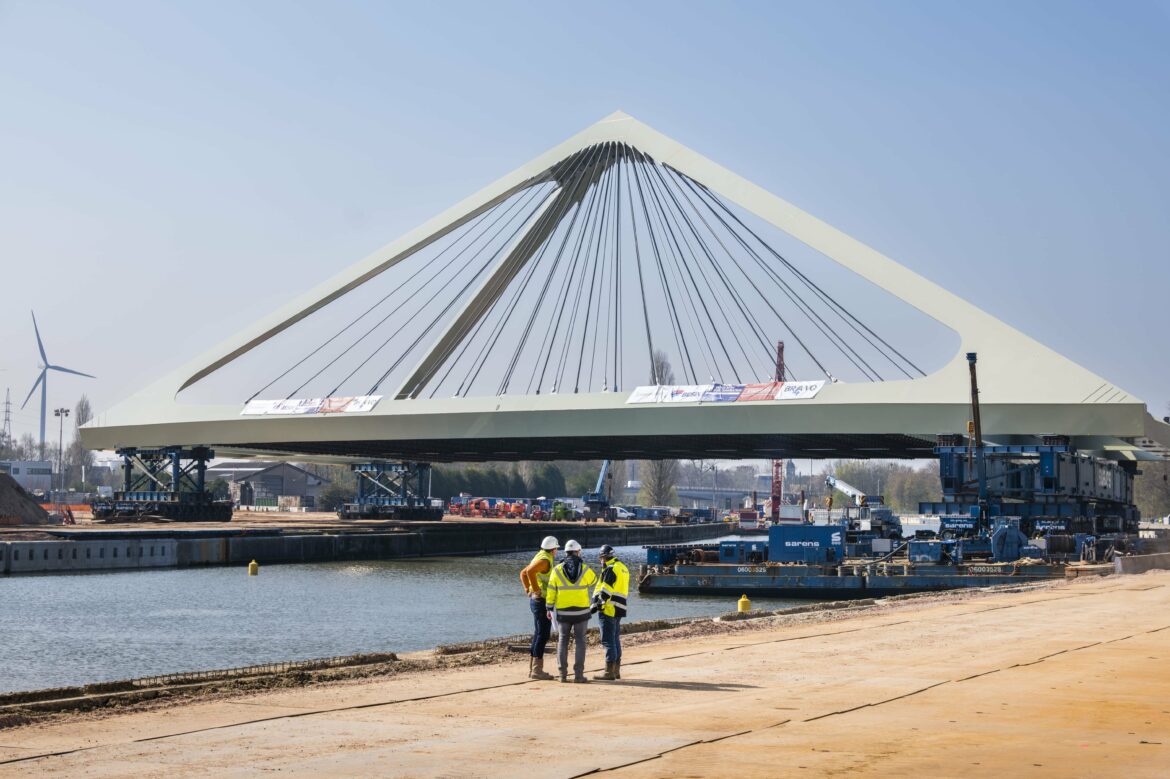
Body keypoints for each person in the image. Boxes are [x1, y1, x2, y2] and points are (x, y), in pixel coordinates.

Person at [545, 539, 597, 683]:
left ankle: (562, 675)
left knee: (562, 641)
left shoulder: (557, 570)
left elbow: (551, 591)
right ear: (577, 552)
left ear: (565, 552)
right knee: (580, 641)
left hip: (563, 612)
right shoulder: (585, 568)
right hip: (581, 612)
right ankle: (578, 676)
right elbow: (593, 580)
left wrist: (549, 608)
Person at [519, 535, 559, 680]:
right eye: (556, 549)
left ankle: (534, 669)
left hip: (536, 601)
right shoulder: (545, 560)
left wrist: (527, 589)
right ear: (553, 549)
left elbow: (523, 573)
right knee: (543, 635)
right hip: (541, 601)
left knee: (538, 633)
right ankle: (537, 670)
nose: (556, 552)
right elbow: (529, 573)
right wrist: (535, 590)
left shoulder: (539, 556)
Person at [591, 544, 629, 681]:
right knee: (615, 639)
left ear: (603, 557)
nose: (600, 561)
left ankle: (609, 672)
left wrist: (597, 606)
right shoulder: (623, 568)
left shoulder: (610, 569)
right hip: (620, 608)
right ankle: (616, 670)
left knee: (608, 641)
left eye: (601, 558)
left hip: (609, 608)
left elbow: (605, 591)